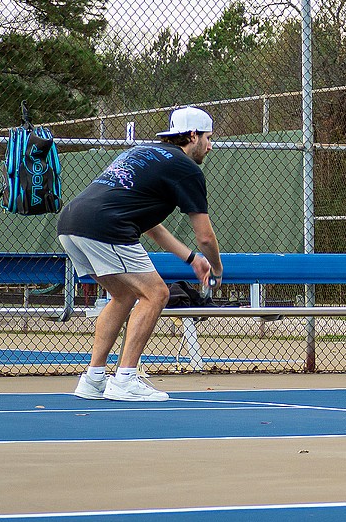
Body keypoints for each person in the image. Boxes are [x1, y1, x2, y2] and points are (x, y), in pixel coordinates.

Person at [57, 106, 224, 401]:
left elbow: (152, 228)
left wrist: (191, 260)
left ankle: (93, 379)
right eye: (208, 138)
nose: (210, 146)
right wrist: (216, 268)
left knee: (124, 295)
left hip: (71, 223)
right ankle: (125, 379)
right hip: (105, 226)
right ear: (193, 135)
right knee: (156, 293)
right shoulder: (187, 170)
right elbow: (206, 236)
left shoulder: (145, 152)